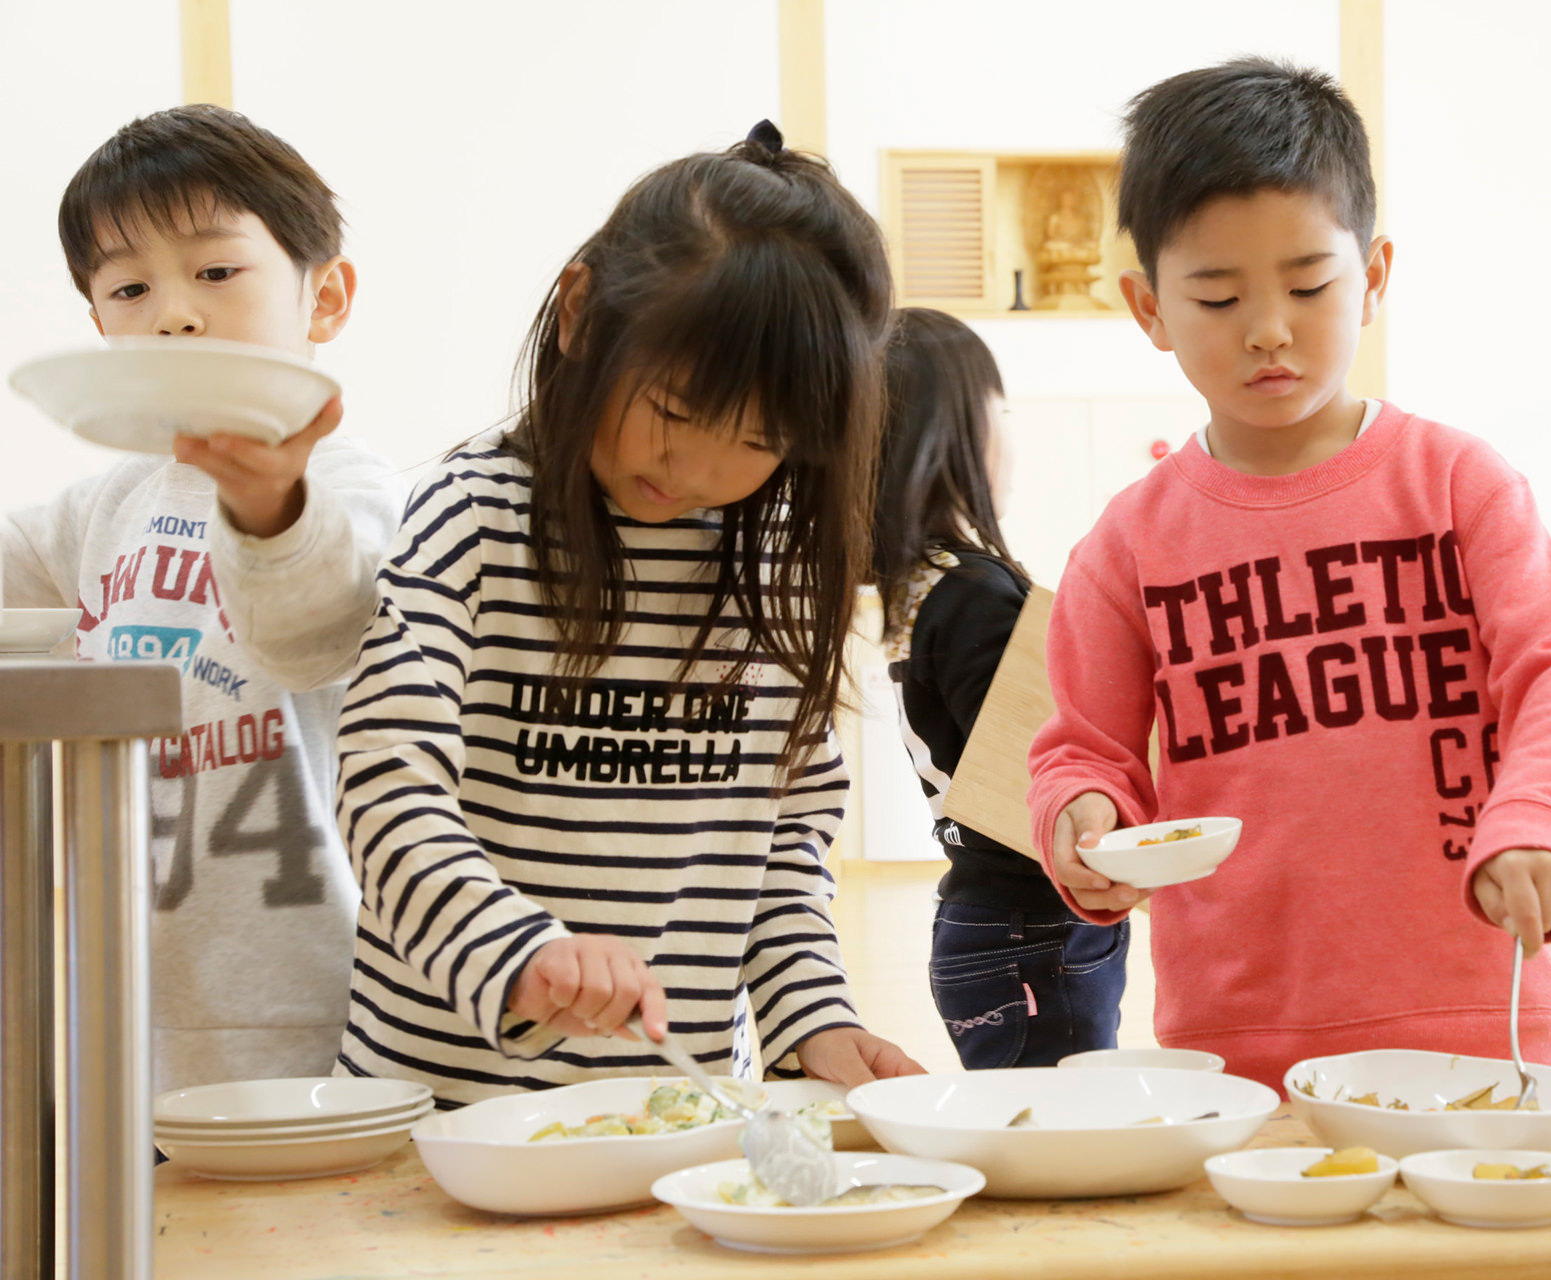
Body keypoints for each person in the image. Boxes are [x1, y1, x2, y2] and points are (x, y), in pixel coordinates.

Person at [1025, 60, 1551, 1091]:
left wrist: (1539, 816)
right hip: (1237, 1054)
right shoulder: (1127, 545)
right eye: (1217, 294)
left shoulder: (1459, 485)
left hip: (1474, 1025)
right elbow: (1087, 749)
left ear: (1375, 276)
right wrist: (1082, 818)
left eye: (1308, 285)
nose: (1268, 328)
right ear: (1148, 306)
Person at [334, 122, 925, 1104]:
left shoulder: (770, 563)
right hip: (434, 1109)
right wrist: (515, 947)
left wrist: (814, 1015)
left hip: (672, 1116)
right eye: (676, 409)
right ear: (579, 312)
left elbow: (782, 846)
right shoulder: (467, 521)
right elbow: (386, 785)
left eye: (758, 439)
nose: (694, 471)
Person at [0, 105, 401, 1093]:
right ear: (101, 329)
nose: (175, 311)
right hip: (139, 996)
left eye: (216, 272)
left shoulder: (350, 488)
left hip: (314, 988)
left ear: (325, 299)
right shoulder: (106, 503)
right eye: (130, 287)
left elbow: (318, 623)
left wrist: (270, 502)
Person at [873, 308, 1127, 1068]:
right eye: (1001, 410)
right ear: (948, 430)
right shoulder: (975, 591)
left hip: (990, 919)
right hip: (1034, 930)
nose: (1010, 435)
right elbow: (1037, 774)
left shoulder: (925, 583)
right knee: (1064, 1138)